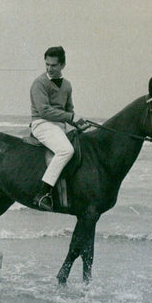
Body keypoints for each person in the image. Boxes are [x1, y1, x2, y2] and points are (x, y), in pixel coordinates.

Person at [29, 46, 90, 211]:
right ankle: (43, 193)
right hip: (42, 123)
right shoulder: (39, 83)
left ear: (62, 65)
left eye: (53, 65)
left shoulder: (67, 85)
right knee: (66, 151)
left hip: (60, 126)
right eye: (47, 64)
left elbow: (69, 110)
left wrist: (78, 123)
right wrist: (71, 118)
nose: (49, 68)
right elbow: (44, 111)